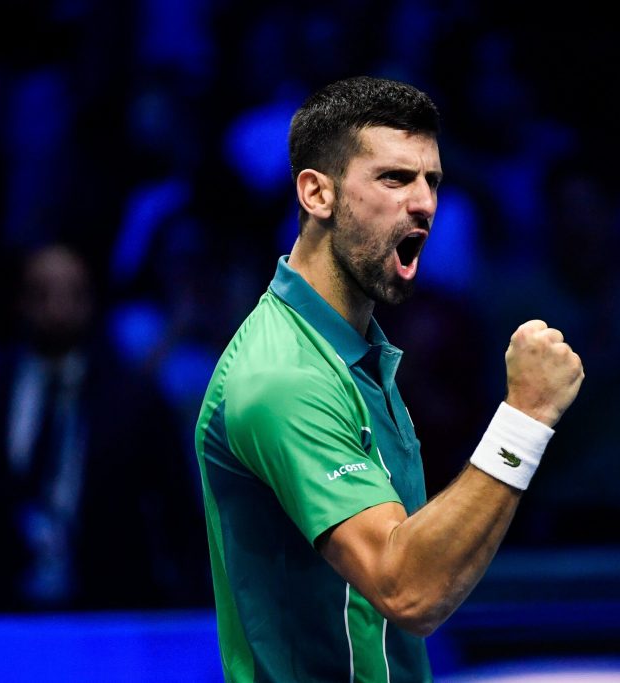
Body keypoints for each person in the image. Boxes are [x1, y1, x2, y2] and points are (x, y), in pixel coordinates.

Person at [193, 75, 584, 682]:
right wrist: (524, 417)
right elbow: (409, 590)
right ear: (316, 194)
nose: (424, 202)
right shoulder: (283, 379)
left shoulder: (351, 352)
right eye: (394, 178)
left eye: (432, 181)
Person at [0, 242, 208, 611]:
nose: (56, 308)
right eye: (41, 294)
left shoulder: (132, 399)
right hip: (4, 608)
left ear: (91, 301)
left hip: (107, 605)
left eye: (72, 294)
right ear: (20, 301)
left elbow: (176, 510)